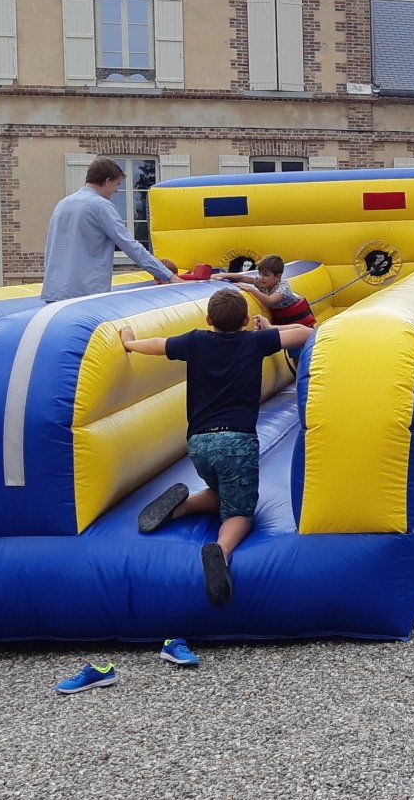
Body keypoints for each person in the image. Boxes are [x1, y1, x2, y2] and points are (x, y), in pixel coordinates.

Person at [121, 289, 313, 605]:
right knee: (240, 510)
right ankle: (221, 551)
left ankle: (182, 507)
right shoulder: (254, 341)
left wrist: (129, 342)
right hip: (237, 442)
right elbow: (304, 333)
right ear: (244, 321)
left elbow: (158, 345)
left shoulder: (196, 341)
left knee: (222, 490)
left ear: (209, 320)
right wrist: (266, 329)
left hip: (198, 444)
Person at [43, 157, 175, 302]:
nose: (117, 190)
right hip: (84, 295)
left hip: (54, 291)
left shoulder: (63, 204)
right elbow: (130, 246)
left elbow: (52, 248)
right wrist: (169, 276)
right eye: (117, 184)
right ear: (107, 181)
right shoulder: (101, 206)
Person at [215, 254, 315, 327]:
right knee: (293, 349)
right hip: (285, 320)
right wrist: (223, 275)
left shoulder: (283, 287)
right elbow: (241, 278)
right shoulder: (262, 281)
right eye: (260, 274)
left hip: (299, 318)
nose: (261, 277)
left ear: (278, 277)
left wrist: (252, 290)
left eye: (266, 275)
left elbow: (270, 300)